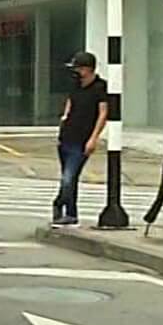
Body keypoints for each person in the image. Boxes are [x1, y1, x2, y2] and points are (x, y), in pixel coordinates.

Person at [54, 50, 108, 227]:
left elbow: (103, 114)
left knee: (68, 177)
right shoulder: (75, 85)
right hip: (67, 136)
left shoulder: (100, 88)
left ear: (87, 69)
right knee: (69, 177)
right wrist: (64, 118)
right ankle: (70, 213)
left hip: (82, 139)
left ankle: (59, 203)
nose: (75, 72)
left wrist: (94, 138)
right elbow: (70, 102)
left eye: (78, 68)